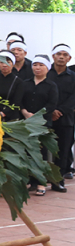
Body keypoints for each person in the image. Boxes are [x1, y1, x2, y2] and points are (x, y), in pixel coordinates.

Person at [21, 55, 58, 196]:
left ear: (47, 68)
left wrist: (36, 116)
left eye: (41, 65)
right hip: (25, 122)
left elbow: (51, 105)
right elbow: (20, 100)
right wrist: (25, 112)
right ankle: (29, 181)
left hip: (42, 123)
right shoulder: (25, 83)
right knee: (26, 152)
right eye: (35, 64)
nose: (37, 67)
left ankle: (41, 182)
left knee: (41, 154)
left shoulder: (51, 85)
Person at [48, 44, 75, 191]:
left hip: (65, 118)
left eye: (65, 54)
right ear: (53, 56)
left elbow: (73, 97)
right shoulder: (46, 73)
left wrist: (60, 111)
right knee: (43, 150)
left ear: (69, 58)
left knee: (63, 151)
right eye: (59, 54)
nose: (61, 57)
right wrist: (51, 111)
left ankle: (58, 180)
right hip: (46, 117)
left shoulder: (73, 76)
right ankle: (39, 180)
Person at [0, 50, 25, 121]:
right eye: (1, 62)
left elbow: (17, 102)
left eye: (8, 62)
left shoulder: (18, 82)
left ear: (13, 64)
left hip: (11, 118)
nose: (4, 65)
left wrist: (3, 113)